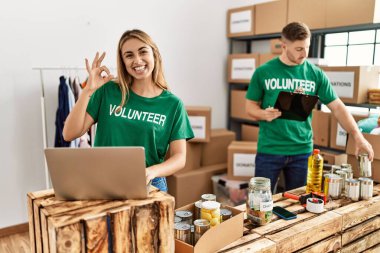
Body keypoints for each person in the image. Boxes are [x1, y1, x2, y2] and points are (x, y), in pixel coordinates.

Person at [245, 22, 374, 192]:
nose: (305, 53)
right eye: (299, 49)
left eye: (307, 47)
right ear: (284, 46)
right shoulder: (263, 72)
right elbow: (249, 107)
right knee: (260, 204)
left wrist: (358, 136)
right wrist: (263, 114)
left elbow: (337, 107)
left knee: (301, 204)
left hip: (302, 152)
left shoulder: (315, 74)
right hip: (269, 150)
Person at [63, 29, 194, 192]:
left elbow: (179, 157)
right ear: (123, 61)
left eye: (143, 52)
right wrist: (87, 91)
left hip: (149, 183)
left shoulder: (173, 105)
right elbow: (69, 134)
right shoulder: (108, 91)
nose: (137, 60)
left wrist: (152, 171)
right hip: (104, 181)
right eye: (129, 55)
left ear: (154, 54)